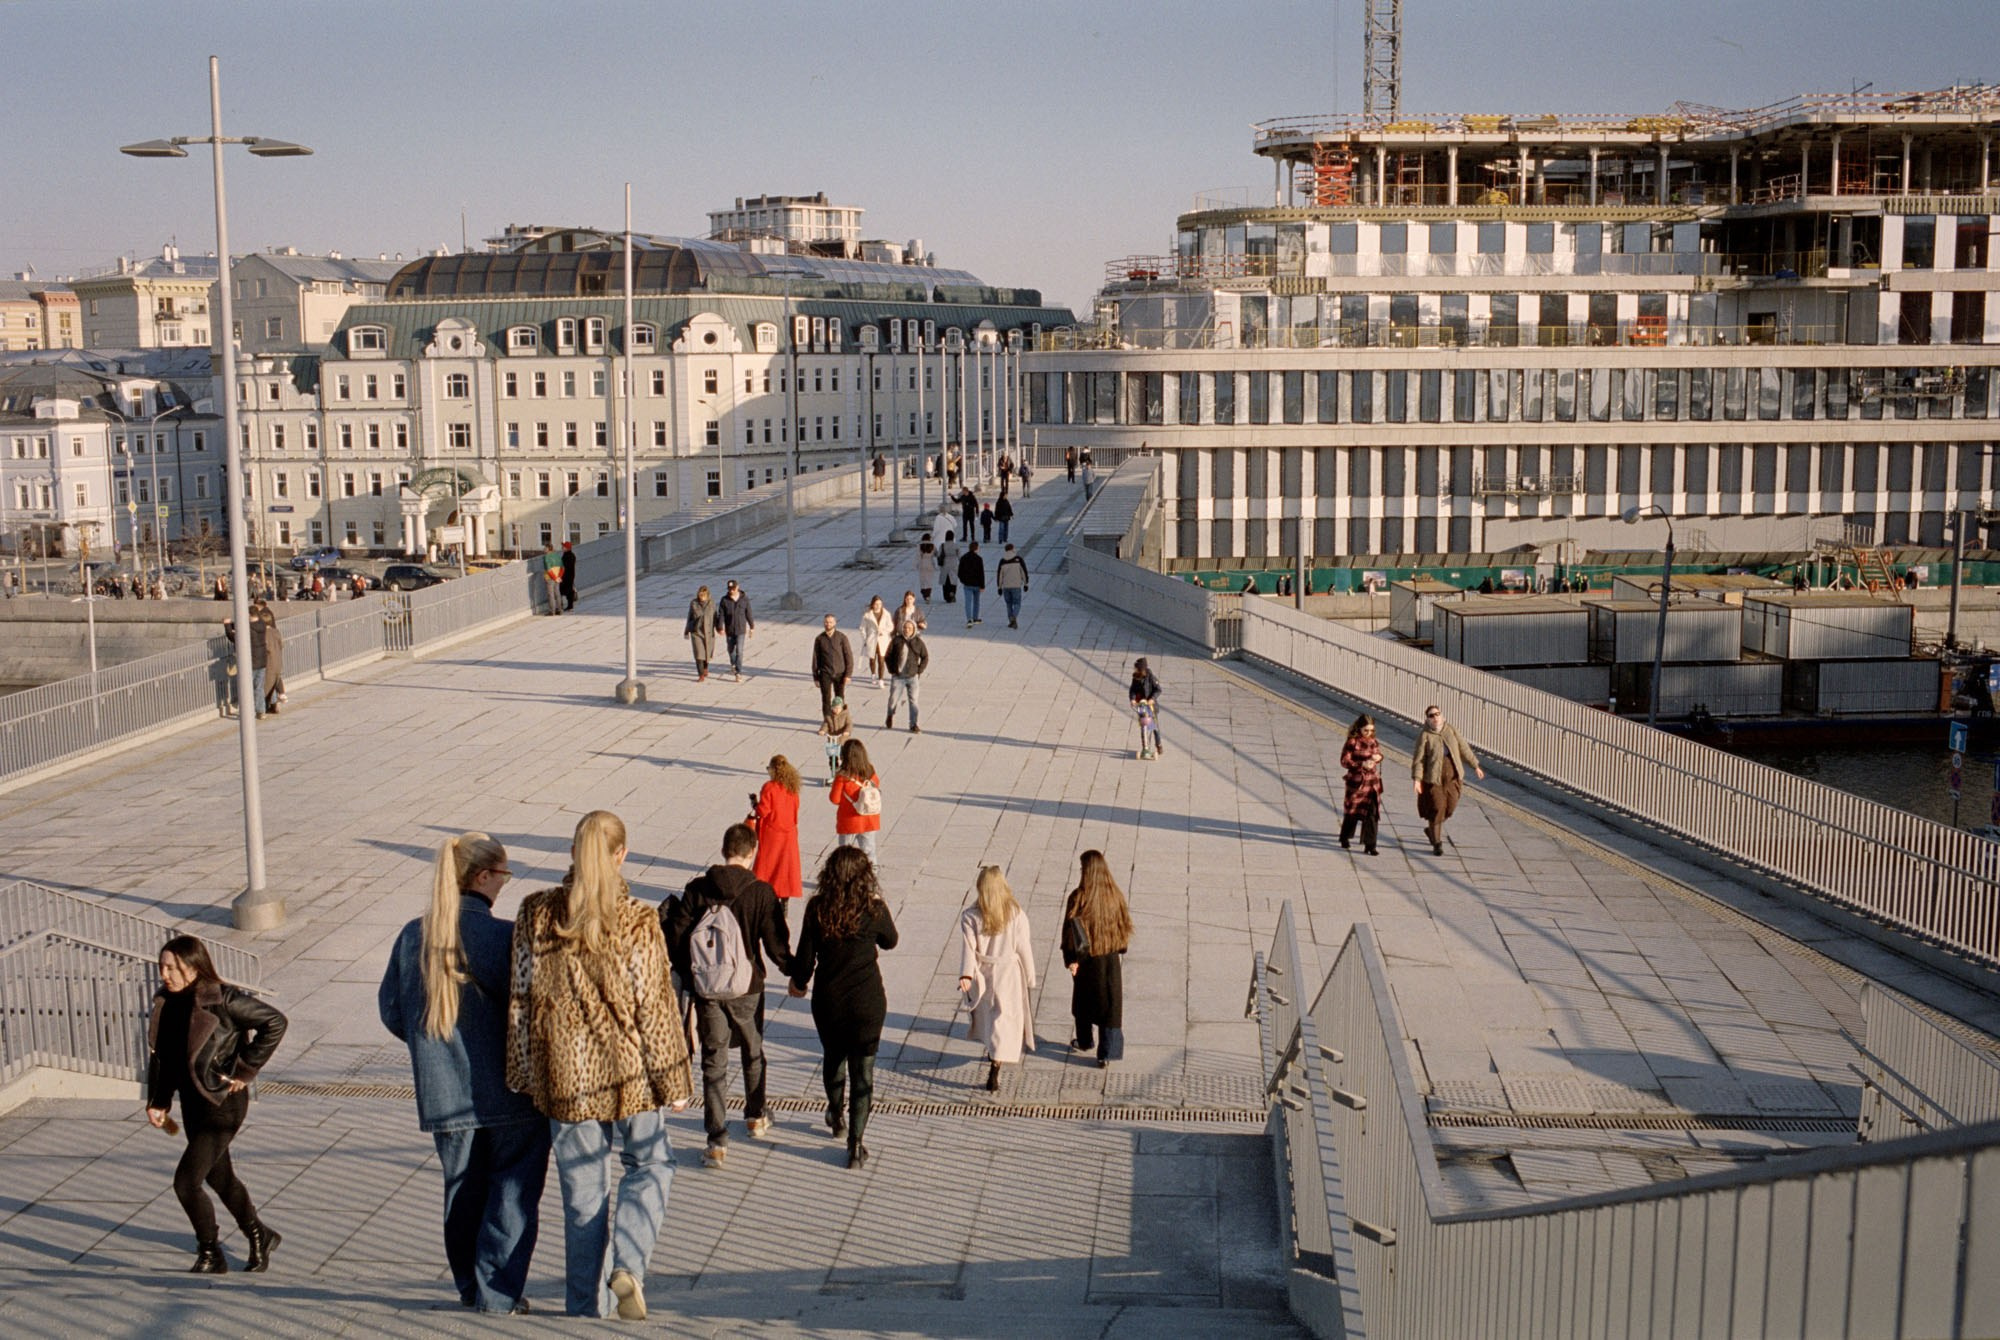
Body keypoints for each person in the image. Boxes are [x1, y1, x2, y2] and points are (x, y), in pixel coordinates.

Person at [506, 810, 693, 1320]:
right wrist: (674, 1081)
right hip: (630, 1073)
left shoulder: (535, 913)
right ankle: (628, 1266)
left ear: (572, 852)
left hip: (567, 1081)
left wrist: (524, 1072)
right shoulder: (636, 919)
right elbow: (654, 1007)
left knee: (583, 1200)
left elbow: (520, 1002)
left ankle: (584, 1312)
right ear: (621, 855)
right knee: (651, 1163)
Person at [379, 834, 549, 1315]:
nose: (504, 885)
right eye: (504, 875)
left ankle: (469, 1288)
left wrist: (432, 1050)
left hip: (442, 1093)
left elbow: (392, 1011)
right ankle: (497, 1292)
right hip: (510, 1092)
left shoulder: (413, 935)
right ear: (482, 877)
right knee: (512, 1193)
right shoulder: (503, 936)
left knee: (462, 1190)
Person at [146, 935, 289, 1274]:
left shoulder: (222, 1000)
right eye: (161, 967)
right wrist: (159, 1101)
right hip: (193, 1104)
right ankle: (259, 1234)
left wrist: (245, 1070)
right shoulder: (165, 1002)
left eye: (172, 967)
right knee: (220, 1177)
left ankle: (210, 1251)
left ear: (194, 968)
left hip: (223, 1103)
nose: (165, 974)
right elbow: (164, 1057)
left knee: (186, 1181)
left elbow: (275, 1022)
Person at [664, 824, 794, 1171]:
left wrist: (692, 975)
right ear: (752, 851)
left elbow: (676, 935)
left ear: (724, 850)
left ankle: (717, 1141)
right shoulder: (760, 892)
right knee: (753, 1051)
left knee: (713, 1061)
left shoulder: (697, 889)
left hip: (708, 989)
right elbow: (775, 943)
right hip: (747, 986)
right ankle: (755, 1116)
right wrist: (795, 971)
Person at [786, 847, 899, 1169]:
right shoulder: (873, 908)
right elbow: (891, 941)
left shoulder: (818, 908)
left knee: (833, 1058)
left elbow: (806, 957)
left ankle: (836, 1116)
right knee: (863, 1072)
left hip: (829, 1000)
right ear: (866, 877)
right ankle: (856, 1144)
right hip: (867, 1002)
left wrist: (799, 982)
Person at [957, 867, 1037, 1093]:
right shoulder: (1015, 914)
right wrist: (1030, 975)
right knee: (1005, 1018)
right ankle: (996, 1062)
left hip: (984, 972)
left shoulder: (971, 916)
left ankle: (993, 1053)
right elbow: (1023, 947)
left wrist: (966, 974)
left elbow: (968, 950)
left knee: (989, 1017)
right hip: (1009, 972)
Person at [1062, 851, 1131, 1067]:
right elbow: (1124, 928)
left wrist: (1071, 959)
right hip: (1109, 961)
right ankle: (1107, 1053)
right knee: (1110, 1005)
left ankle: (1084, 1040)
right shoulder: (1115, 896)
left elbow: (1070, 931)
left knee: (1083, 1003)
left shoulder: (1078, 897)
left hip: (1086, 961)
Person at [1410, 703, 1485, 857]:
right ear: (1427, 719)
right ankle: (1437, 843)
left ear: (1442, 716)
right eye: (1431, 715)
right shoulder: (1425, 735)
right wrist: (1417, 779)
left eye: (1437, 714)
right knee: (1437, 807)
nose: (1435, 717)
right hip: (1434, 779)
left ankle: (1431, 829)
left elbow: (1463, 748)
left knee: (1450, 808)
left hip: (1452, 777)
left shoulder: (1450, 730)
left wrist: (1475, 765)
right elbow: (1419, 760)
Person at [748, 756, 804, 916]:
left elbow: (763, 811)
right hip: (790, 833)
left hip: (773, 833)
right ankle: (784, 901)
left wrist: (755, 805)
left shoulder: (769, 787)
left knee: (767, 866)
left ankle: (766, 899)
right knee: (785, 867)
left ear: (773, 769)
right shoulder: (792, 788)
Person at [829, 738, 881, 862]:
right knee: (870, 853)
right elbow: (876, 785)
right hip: (869, 819)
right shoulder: (870, 770)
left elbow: (834, 799)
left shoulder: (842, 776)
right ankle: (871, 878)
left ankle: (845, 878)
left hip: (849, 821)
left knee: (845, 855)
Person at [1339, 716, 1384, 856]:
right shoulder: (1352, 742)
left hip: (1372, 783)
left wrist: (1379, 758)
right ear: (1359, 728)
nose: (1369, 733)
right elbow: (1344, 761)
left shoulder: (1373, 742)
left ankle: (1370, 844)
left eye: (1371, 730)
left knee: (1372, 814)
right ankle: (1345, 837)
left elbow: (1378, 754)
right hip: (1357, 783)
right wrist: (1361, 765)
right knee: (1352, 812)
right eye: (1366, 730)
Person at [223, 604, 270, 720]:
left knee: (247, 687)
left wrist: (227, 626)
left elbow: (234, 638)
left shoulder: (247, 629)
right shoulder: (262, 624)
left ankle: (247, 712)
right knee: (258, 687)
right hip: (262, 660)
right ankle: (261, 711)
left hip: (250, 662)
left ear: (248, 615)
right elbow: (244, 625)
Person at [885, 617, 928, 733]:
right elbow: (887, 655)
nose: (907, 630)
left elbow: (925, 657)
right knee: (893, 700)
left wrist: (919, 670)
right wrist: (891, 669)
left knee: (914, 701)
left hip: (912, 676)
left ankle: (913, 724)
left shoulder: (918, 642)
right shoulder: (896, 640)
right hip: (898, 676)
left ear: (914, 629)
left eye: (909, 628)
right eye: (905, 627)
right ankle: (890, 714)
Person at [812, 613, 855, 727]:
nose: (828, 624)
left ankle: (841, 720)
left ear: (835, 623)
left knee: (839, 698)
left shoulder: (841, 637)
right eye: (826, 622)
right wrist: (815, 676)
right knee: (826, 698)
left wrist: (848, 674)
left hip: (840, 673)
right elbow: (816, 658)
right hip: (825, 673)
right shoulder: (819, 639)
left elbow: (848, 656)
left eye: (830, 622)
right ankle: (827, 722)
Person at [718, 579, 754, 681]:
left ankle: (738, 672)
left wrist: (752, 627)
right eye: (730, 589)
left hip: (741, 629)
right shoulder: (724, 600)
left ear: (737, 587)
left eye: (733, 589)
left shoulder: (744, 599)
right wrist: (720, 627)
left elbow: (749, 613)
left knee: (740, 650)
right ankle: (733, 663)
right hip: (729, 629)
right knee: (730, 649)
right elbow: (721, 615)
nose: (731, 591)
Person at [255, 598, 286, 715]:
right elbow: (281, 644)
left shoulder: (265, 634)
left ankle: (263, 708)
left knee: (266, 685)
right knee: (273, 681)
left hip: (268, 662)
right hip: (277, 661)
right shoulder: (276, 632)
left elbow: (266, 648)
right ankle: (277, 700)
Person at [1129, 658, 1163, 757]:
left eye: (1137, 669)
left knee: (1154, 728)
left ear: (1142, 670)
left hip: (1151, 706)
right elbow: (1132, 690)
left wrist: (1152, 699)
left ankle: (1158, 744)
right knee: (1144, 726)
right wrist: (1132, 699)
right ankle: (1146, 748)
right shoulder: (1135, 678)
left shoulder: (1150, 676)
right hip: (1142, 706)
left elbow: (1158, 689)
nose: (1135, 671)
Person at [685, 585, 718, 682]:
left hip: (708, 632)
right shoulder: (694, 603)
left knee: (707, 654)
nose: (702, 598)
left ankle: (705, 668)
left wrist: (719, 627)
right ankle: (700, 675)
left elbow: (715, 616)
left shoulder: (711, 604)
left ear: (707, 595)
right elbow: (690, 617)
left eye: (703, 596)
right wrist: (687, 630)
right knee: (699, 654)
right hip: (697, 632)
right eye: (700, 595)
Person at [860, 596, 894, 689]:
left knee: (881, 659)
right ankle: (873, 674)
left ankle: (881, 680)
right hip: (871, 638)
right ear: (872, 604)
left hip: (882, 639)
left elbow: (890, 626)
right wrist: (865, 638)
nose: (878, 606)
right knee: (872, 658)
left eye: (880, 604)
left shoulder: (886, 614)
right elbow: (862, 628)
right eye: (876, 604)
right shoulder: (867, 615)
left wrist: (884, 631)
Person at [995, 543, 1029, 629]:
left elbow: (999, 575)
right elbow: (1024, 572)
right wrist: (1026, 583)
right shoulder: (1018, 559)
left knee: (1008, 604)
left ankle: (1011, 620)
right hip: (1016, 585)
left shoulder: (1002, 561)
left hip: (1006, 586)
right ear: (1012, 549)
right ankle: (1014, 616)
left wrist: (999, 587)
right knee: (1017, 603)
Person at [958, 540, 986, 626]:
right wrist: (982, 585)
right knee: (976, 601)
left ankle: (969, 619)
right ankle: (975, 617)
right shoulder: (979, 559)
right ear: (976, 549)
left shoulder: (963, 558)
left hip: (967, 584)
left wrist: (963, 580)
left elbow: (959, 572)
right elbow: (981, 573)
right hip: (977, 584)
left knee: (968, 602)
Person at [540, 543, 563, 615]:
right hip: (557, 577)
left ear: (548, 548)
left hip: (550, 578)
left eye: (545, 548)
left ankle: (552, 611)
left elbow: (549, 569)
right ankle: (560, 610)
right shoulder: (557, 555)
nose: (543, 549)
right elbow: (562, 568)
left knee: (551, 594)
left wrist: (555, 578)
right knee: (557, 593)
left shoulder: (546, 557)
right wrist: (559, 577)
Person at [937, 529, 959, 605]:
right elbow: (959, 555)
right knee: (953, 580)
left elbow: (939, 555)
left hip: (945, 565)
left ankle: (947, 596)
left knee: (946, 582)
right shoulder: (956, 545)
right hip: (954, 564)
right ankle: (952, 592)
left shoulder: (942, 545)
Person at [916, 534, 938, 603]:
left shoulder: (919, 546)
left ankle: (923, 592)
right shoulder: (932, 545)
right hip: (930, 563)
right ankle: (928, 595)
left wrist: (916, 565)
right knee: (929, 580)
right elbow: (936, 554)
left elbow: (917, 556)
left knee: (922, 580)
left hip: (922, 563)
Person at [560, 542, 578, 611]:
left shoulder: (568, 556)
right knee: (568, 591)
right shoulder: (570, 555)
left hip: (567, 576)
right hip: (569, 575)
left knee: (567, 591)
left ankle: (569, 606)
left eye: (563, 547)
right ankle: (569, 606)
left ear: (567, 548)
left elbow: (565, 566)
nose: (562, 548)